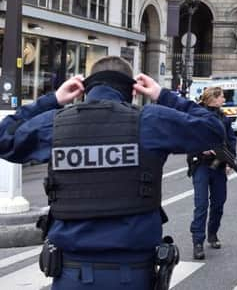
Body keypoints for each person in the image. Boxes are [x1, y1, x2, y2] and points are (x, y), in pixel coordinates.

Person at [0, 56, 225, 290]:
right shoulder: (149, 121)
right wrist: (163, 95)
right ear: (132, 92)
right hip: (133, 274)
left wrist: (52, 100)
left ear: (84, 89)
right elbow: (213, 130)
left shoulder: (55, 124)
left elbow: (4, 139)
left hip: (72, 274)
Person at [188, 86, 237, 259]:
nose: (224, 99)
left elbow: (231, 141)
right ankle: (198, 242)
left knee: (219, 203)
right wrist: (203, 150)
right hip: (200, 164)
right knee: (201, 205)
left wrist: (232, 161)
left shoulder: (223, 118)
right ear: (213, 98)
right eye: (222, 96)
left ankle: (213, 233)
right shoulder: (196, 115)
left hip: (219, 167)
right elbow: (188, 138)